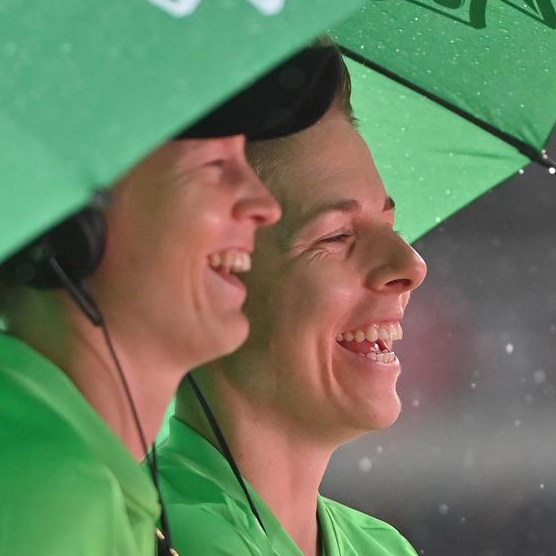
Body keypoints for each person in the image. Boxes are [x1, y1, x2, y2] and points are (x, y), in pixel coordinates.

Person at [0, 50, 340, 556]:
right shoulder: (33, 500)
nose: (263, 205)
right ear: (75, 216)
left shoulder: (48, 469)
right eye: (213, 163)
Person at [157, 39, 428, 556]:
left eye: (389, 224)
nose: (410, 266)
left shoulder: (383, 548)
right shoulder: (130, 537)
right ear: (210, 280)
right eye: (335, 236)